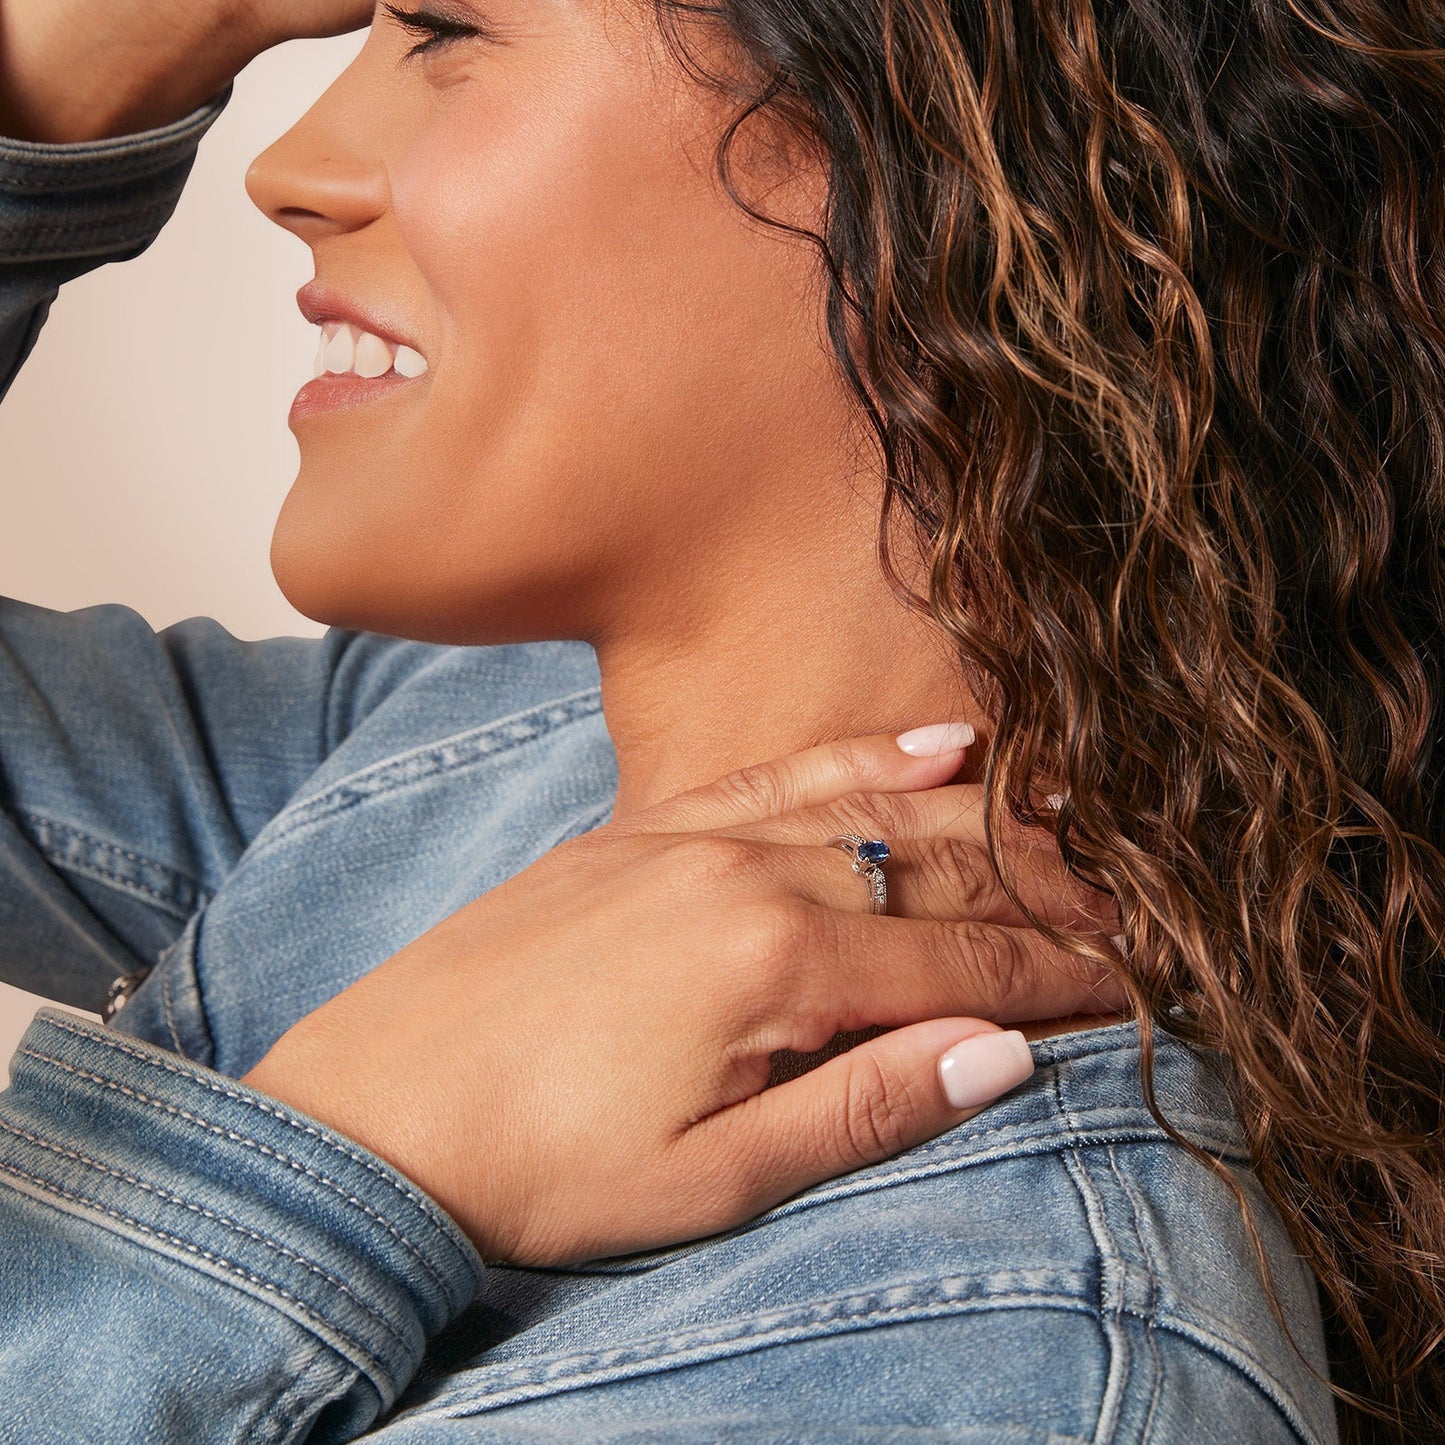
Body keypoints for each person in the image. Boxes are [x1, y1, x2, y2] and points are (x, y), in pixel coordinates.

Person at [1, 0, 1441, 1441]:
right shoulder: (480, 746)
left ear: (940, 170)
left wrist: (338, 1152)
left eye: (442, 27)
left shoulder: (996, 1380)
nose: (290, 168)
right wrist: (55, 77)